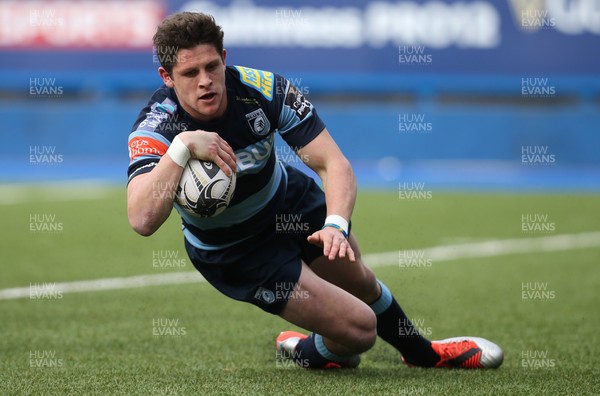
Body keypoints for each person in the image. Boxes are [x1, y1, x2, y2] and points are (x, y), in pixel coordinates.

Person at [127, 11, 503, 370]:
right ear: (167, 77)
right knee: (360, 330)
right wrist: (182, 148)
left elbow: (333, 163)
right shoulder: (157, 125)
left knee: (362, 281)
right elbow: (142, 219)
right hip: (237, 251)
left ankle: (423, 354)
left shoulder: (265, 89)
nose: (205, 80)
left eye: (212, 66)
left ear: (224, 59)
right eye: (190, 72)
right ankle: (307, 350)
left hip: (291, 203)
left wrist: (336, 224)